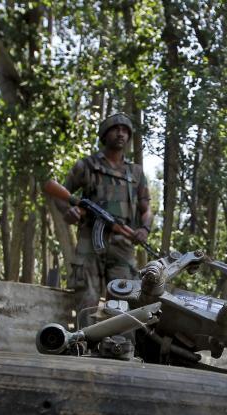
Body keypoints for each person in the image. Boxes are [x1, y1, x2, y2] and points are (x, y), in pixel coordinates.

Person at [55, 112, 154, 311]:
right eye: (116, 129)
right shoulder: (86, 166)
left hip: (122, 246)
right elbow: (60, 195)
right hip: (89, 243)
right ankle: (83, 333)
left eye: (125, 130)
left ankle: (120, 334)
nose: (121, 134)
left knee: (124, 301)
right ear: (104, 134)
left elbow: (146, 208)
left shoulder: (135, 172)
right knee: (87, 299)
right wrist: (70, 211)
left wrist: (144, 229)